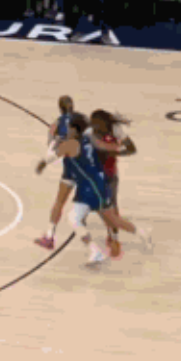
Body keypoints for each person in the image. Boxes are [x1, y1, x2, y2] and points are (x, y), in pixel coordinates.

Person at [35, 113, 151, 265]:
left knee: (103, 220)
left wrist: (42, 164)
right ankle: (135, 235)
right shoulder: (91, 140)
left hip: (92, 188)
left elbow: (50, 157)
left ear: (75, 130)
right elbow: (109, 148)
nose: (68, 130)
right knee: (98, 219)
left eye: (70, 128)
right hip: (94, 184)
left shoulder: (71, 144)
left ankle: (103, 248)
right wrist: (114, 151)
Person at [90, 110, 136, 259]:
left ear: (103, 122)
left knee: (111, 207)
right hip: (95, 175)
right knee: (101, 208)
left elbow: (132, 149)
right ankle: (112, 234)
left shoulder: (116, 130)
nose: (93, 125)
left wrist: (116, 154)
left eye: (95, 123)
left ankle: (114, 238)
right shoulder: (91, 133)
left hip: (109, 174)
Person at [35, 95, 75, 250]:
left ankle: (50, 237)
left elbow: (52, 149)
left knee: (59, 202)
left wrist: (44, 163)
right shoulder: (82, 121)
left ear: (60, 108)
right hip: (89, 168)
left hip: (72, 169)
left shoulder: (56, 124)